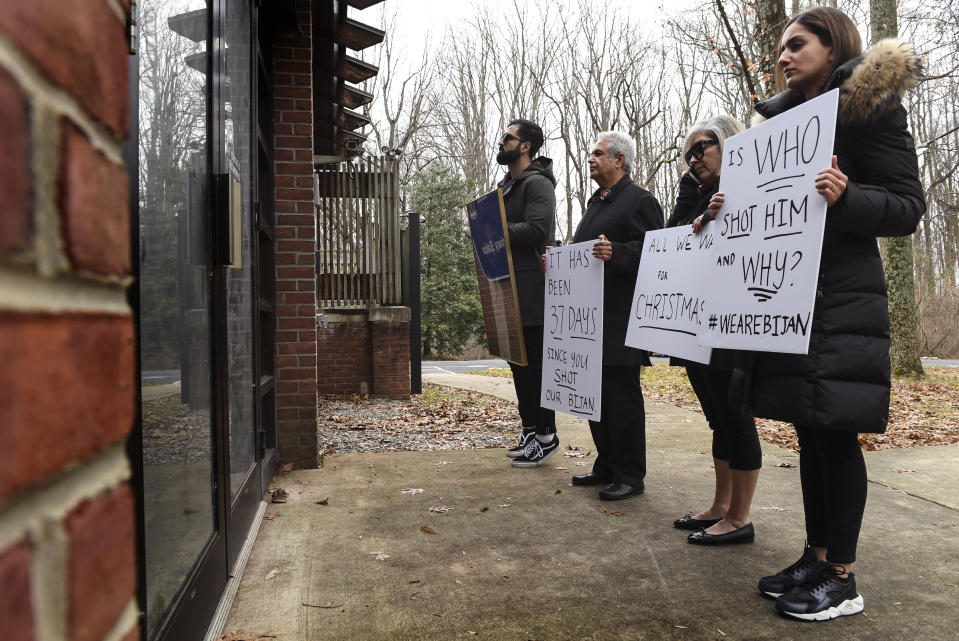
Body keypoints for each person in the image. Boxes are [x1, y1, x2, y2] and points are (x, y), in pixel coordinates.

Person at [708, 6, 925, 620]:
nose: (783, 56)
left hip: (839, 297)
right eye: (779, 48)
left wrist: (847, 195)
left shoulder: (867, 111)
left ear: (833, 49)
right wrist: (734, 204)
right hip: (786, 296)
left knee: (834, 433)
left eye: (797, 45)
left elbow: (907, 206)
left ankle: (843, 577)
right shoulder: (779, 127)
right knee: (808, 430)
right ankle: (816, 553)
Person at [666, 115, 763, 546]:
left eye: (702, 147)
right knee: (717, 419)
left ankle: (741, 517)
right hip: (695, 324)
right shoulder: (698, 193)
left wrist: (728, 213)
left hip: (733, 322)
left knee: (736, 417)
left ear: (729, 145)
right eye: (688, 153)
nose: (694, 157)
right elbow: (670, 239)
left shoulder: (751, 188)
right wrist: (692, 193)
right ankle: (720, 507)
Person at [570, 131, 664, 499]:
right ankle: (606, 463)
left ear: (619, 160)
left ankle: (629, 474)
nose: (590, 159)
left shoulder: (641, 201)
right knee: (595, 398)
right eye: (590, 154)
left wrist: (619, 253)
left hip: (622, 319)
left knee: (621, 399)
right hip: (589, 320)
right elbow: (583, 253)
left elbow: (657, 253)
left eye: (597, 154)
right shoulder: (596, 203)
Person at [495, 118, 559, 468]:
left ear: (526, 146)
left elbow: (537, 230)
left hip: (533, 289)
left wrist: (494, 229)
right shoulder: (507, 184)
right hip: (507, 288)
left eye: (508, 137)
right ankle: (531, 427)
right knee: (518, 362)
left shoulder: (537, 184)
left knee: (535, 365)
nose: (501, 142)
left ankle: (547, 435)